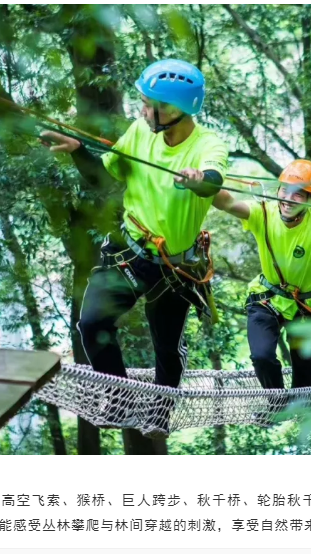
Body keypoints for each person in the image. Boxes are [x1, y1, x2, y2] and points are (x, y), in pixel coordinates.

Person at [41, 59, 229, 436]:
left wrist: (198, 179)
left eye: (147, 104)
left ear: (172, 109)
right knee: (92, 323)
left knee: (167, 351)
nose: (141, 110)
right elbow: (103, 178)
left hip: (174, 268)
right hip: (129, 253)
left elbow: (213, 178)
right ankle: (119, 400)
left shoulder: (208, 144)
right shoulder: (140, 132)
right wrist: (78, 151)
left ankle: (159, 414)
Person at [212, 160, 311, 401]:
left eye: (298, 194)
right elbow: (226, 202)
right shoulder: (263, 212)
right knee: (262, 356)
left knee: (305, 370)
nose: (288, 199)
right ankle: (277, 403)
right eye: (284, 190)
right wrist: (204, 183)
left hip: (302, 305)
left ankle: (303, 399)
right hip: (266, 299)